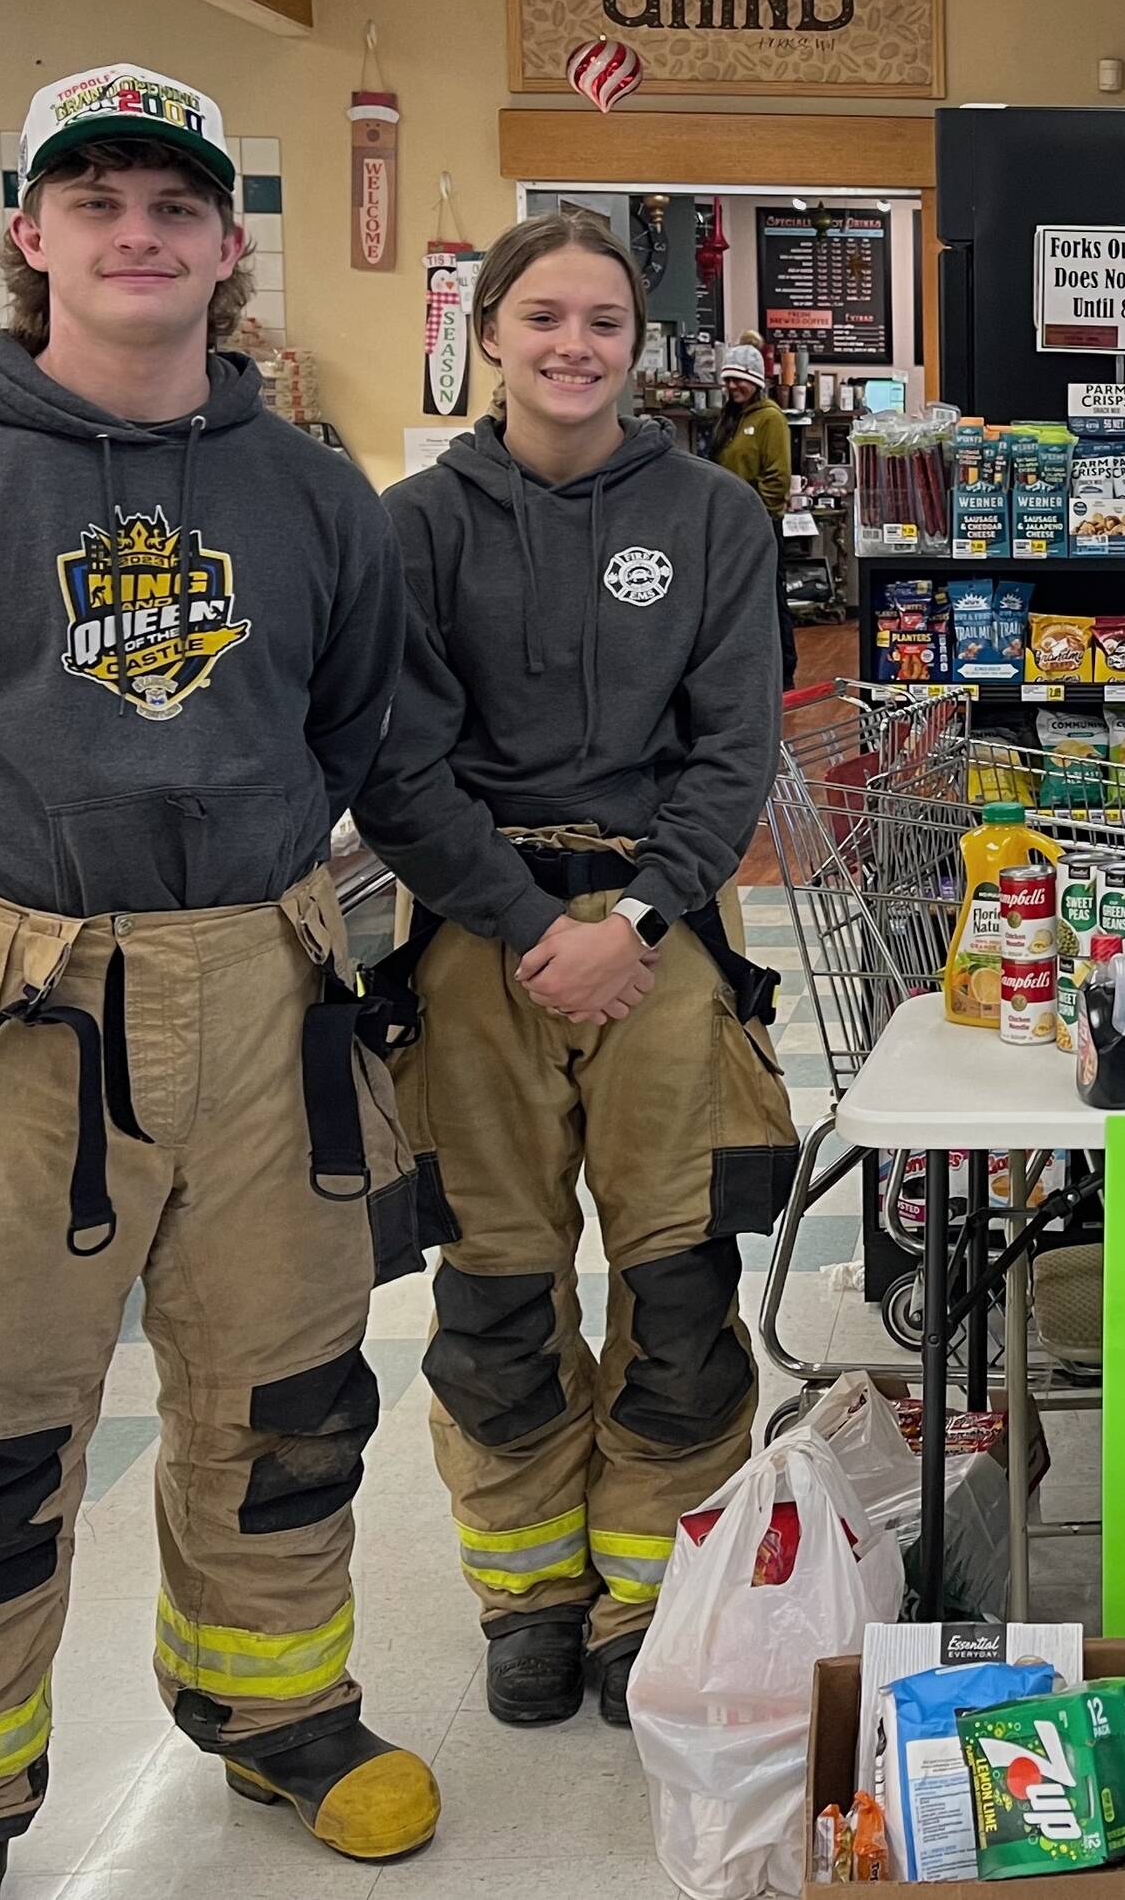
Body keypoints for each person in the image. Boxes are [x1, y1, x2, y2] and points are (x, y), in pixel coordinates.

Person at [0, 64, 440, 1900]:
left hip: (266, 984)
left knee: (291, 1389)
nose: (137, 230)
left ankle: (275, 1710)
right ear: (31, 234)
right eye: (95, 199)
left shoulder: (312, 490)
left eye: (173, 202)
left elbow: (346, 719)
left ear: (229, 242)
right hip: (10, 999)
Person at [354, 215, 799, 1732]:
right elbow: (395, 757)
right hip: (476, 939)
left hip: (663, 938)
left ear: (637, 346)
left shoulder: (711, 518)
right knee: (492, 1286)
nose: (573, 345)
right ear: (486, 332)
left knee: (680, 1277)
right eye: (541, 316)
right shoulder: (411, 527)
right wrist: (528, 923)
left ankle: (646, 1588)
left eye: (604, 321)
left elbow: (735, 747)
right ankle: (527, 1590)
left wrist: (643, 918)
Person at [709, 336, 798, 688]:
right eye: (729, 379)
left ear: (757, 381)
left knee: (771, 598)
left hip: (758, 524)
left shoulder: (769, 419)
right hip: (727, 525)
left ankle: (784, 673)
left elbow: (777, 475)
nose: (733, 386)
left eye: (740, 379)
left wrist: (760, 516)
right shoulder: (730, 419)